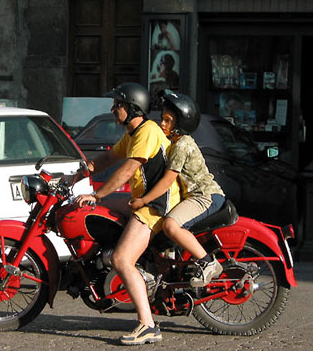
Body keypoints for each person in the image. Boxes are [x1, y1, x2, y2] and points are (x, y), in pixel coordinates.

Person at [72, 82, 180, 346]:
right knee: (98, 211)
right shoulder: (134, 133)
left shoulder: (148, 131)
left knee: (122, 259)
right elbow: (110, 159)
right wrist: (78, 174)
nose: (112, 109)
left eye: (117, 105)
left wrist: (96, 194)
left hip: (156, 206)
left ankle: (148, 325)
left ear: (132, 108)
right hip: (140, 201)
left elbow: (128, 168)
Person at [130, 92, 225, 287]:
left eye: (168, 120)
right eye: (161, 119)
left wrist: (144, 200)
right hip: (195, 196)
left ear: (180, 124)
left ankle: (209, 263)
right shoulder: (173, 143)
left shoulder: (182, 144)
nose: (162, 124)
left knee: (171, 225)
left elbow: (167, 180)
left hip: (205, 196)